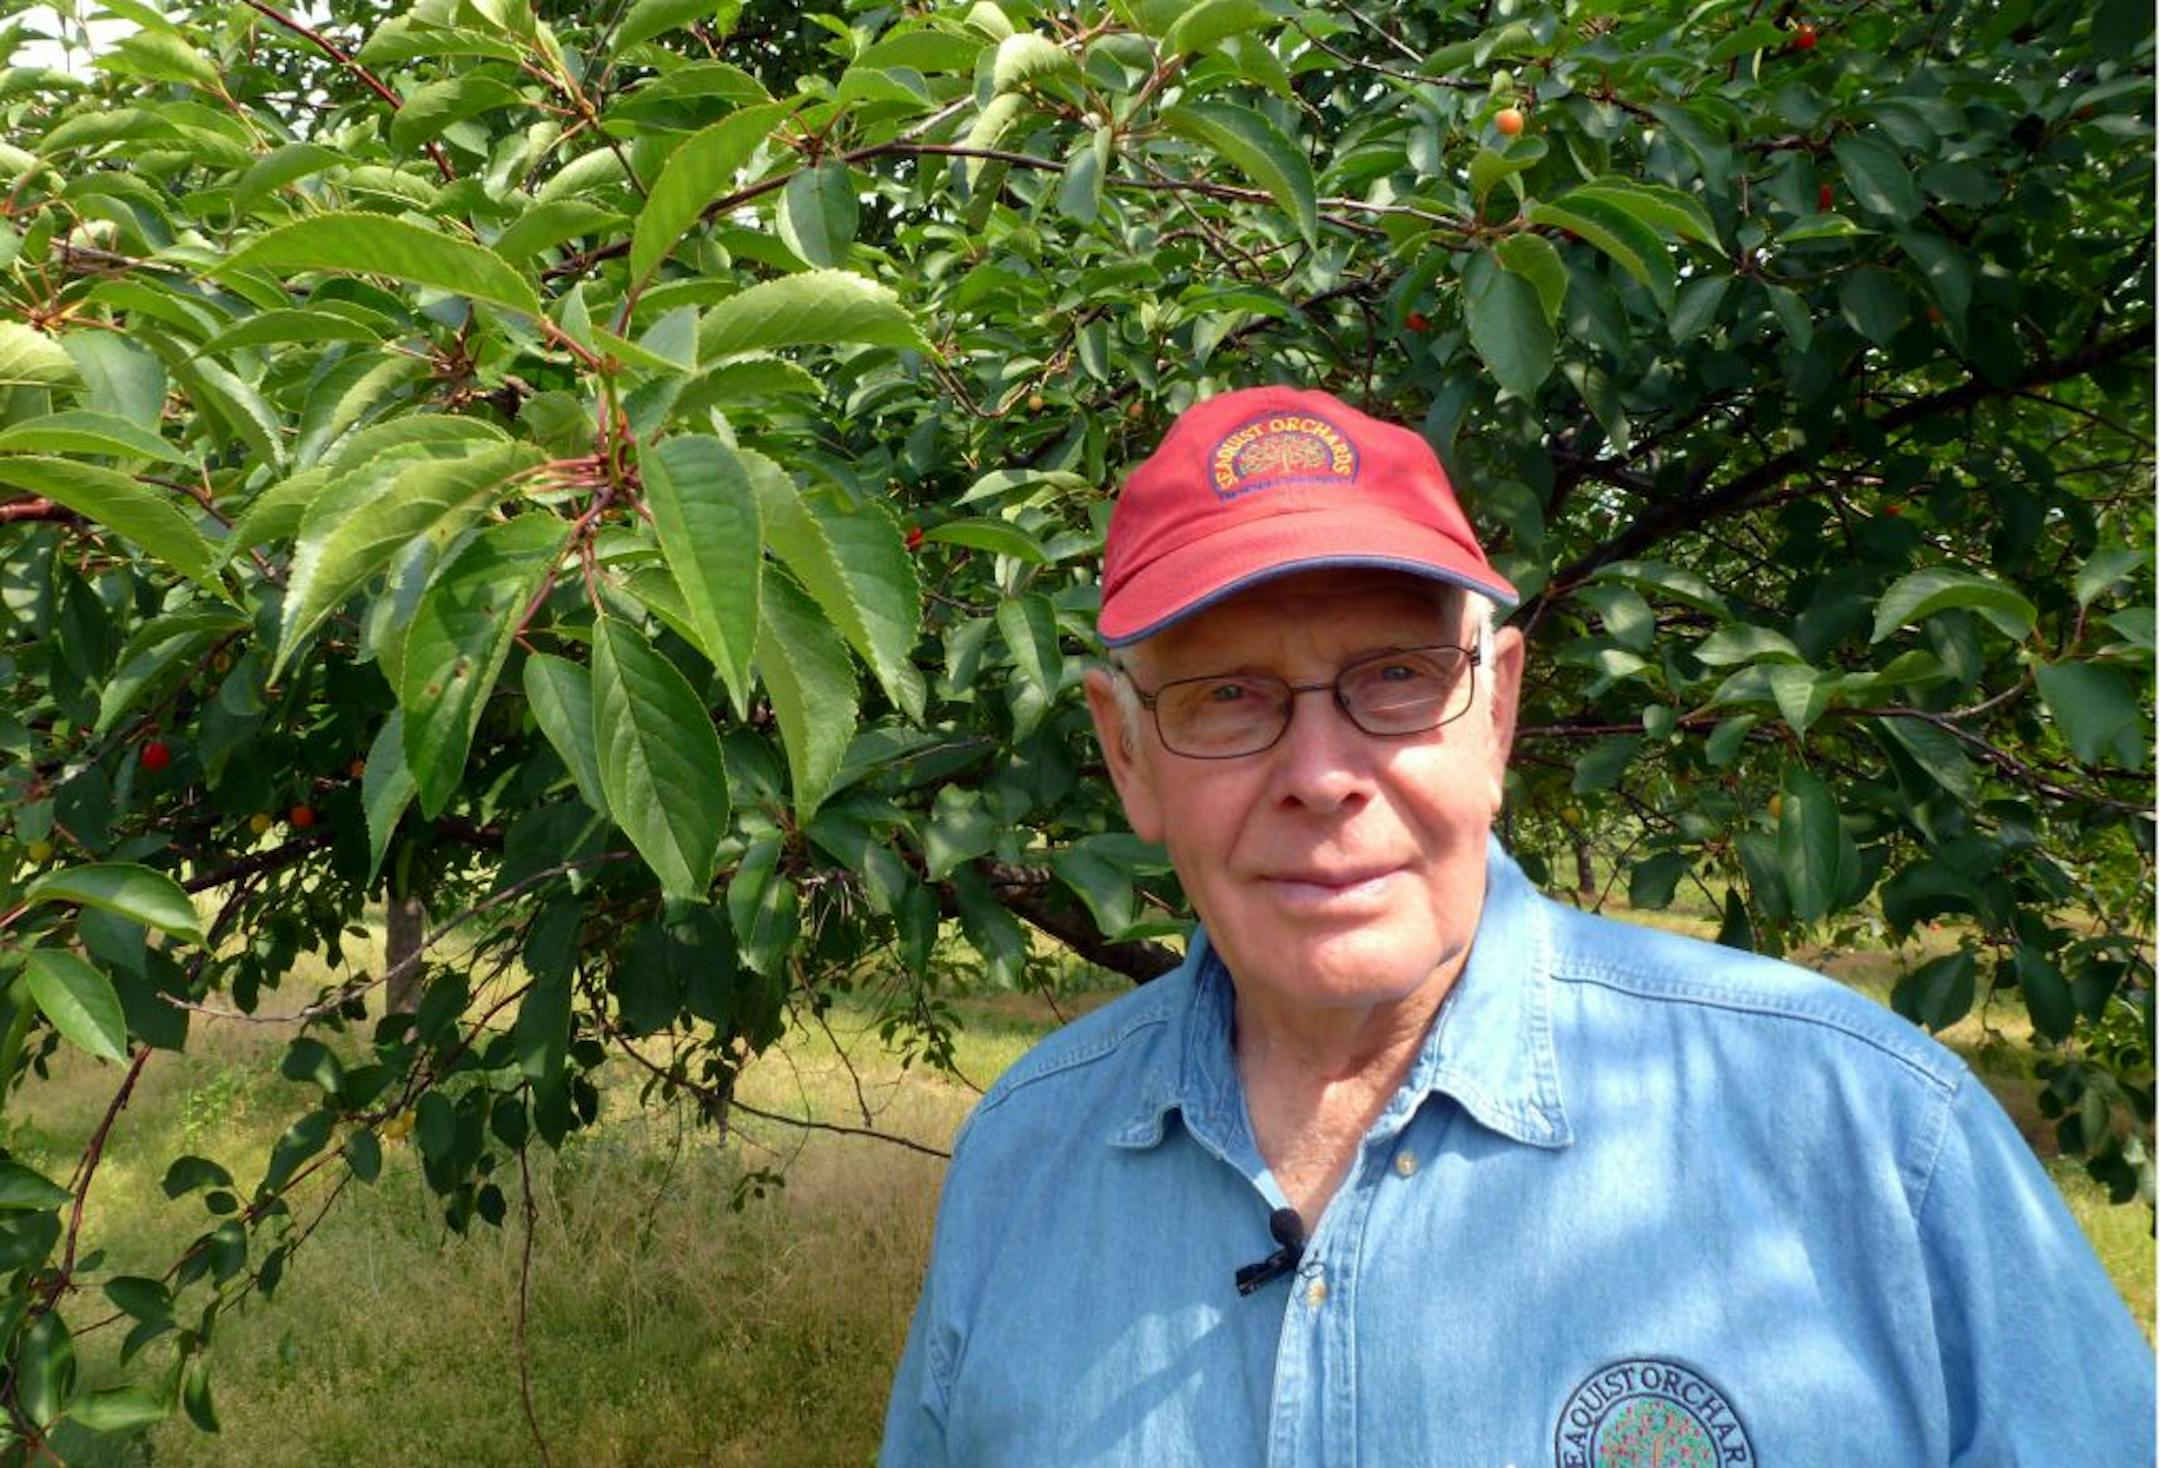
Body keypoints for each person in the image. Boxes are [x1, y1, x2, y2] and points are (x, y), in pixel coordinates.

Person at [880, 385, 2154, 1465]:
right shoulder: (1024, 1161)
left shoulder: (1870, 1138)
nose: (1322, 773)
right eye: (1228, 695)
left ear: (1494, 716)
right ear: (1125, 757)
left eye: (1396, 677)